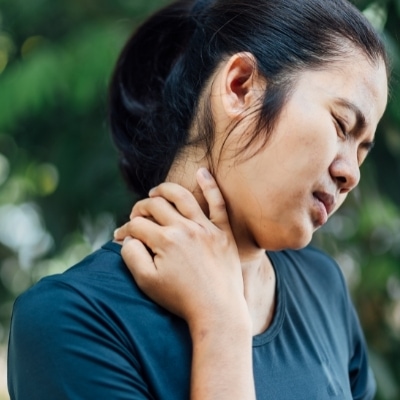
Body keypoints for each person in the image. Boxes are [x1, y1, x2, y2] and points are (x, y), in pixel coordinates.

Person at [7, 0, 389, 398]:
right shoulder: (74, 320)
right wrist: (221, 326)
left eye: (362, 150)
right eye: (342, 124)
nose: (351, 174)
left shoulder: (322, 287)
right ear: (240, 87)